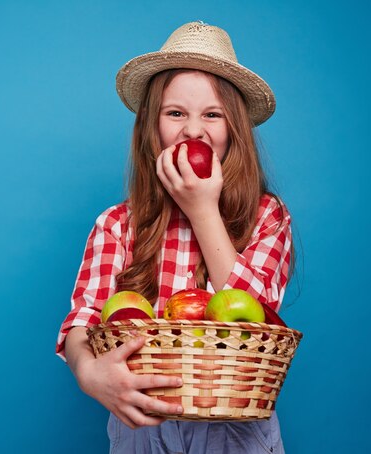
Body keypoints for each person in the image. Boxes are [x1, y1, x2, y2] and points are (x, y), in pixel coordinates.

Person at [56, 21, 293, 453]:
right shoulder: (117, 224)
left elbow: (256, 318)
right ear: (153, 127)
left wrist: (202, 209)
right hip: (141, 427)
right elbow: (83, 320)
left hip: (236, 429)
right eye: (176, 113)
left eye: (213, 114)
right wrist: (89, 376)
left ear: (234, 129)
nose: (193, 131)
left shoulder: (266, 216)